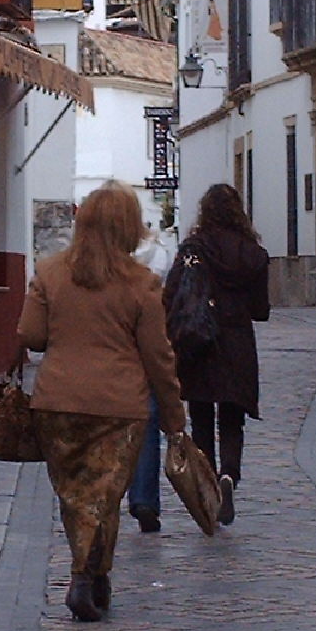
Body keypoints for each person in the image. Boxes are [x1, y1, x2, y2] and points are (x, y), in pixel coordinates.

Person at [20, 182, 188, 621]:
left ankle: (89, 575)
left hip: (57, 402)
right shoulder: (142, 284)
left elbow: (32, 336)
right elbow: (158, 356)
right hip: (119, 406)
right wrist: (173, 417)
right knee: (105, 496)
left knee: (75, 494)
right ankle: (87, 576)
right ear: (131, 228)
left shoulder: (49, 271)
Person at [165, 182, 271, 526]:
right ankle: (230, 474)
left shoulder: (193, 249)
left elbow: (171, 295)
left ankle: (209, 484)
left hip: (199, 341)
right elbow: (261, 309)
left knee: (201, 417)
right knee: (231, 417)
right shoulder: (253, 253)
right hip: (237, 341)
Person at [124, 205, 184, 531]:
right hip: (137, 364)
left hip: (90, 373)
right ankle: (144, 498)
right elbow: (157, 346)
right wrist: (172, 405)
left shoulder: (70, 269)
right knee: (145, 424)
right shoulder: (155, 264)